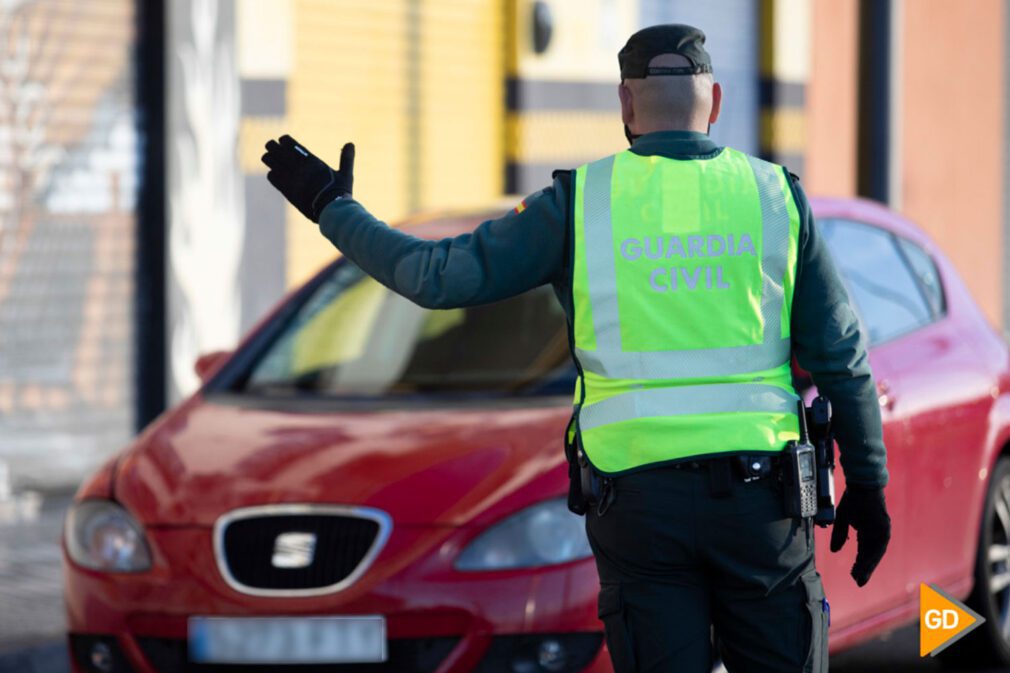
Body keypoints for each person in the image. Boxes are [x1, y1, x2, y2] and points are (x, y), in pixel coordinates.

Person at [262, 24, 890, 673]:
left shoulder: (580, 203)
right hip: (763, 507)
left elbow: (435, 276)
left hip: (642, 512)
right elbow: (844, 358)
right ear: (718, 100)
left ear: (625, 102)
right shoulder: (775, 197)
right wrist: (868, 483)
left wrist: (332, 207)